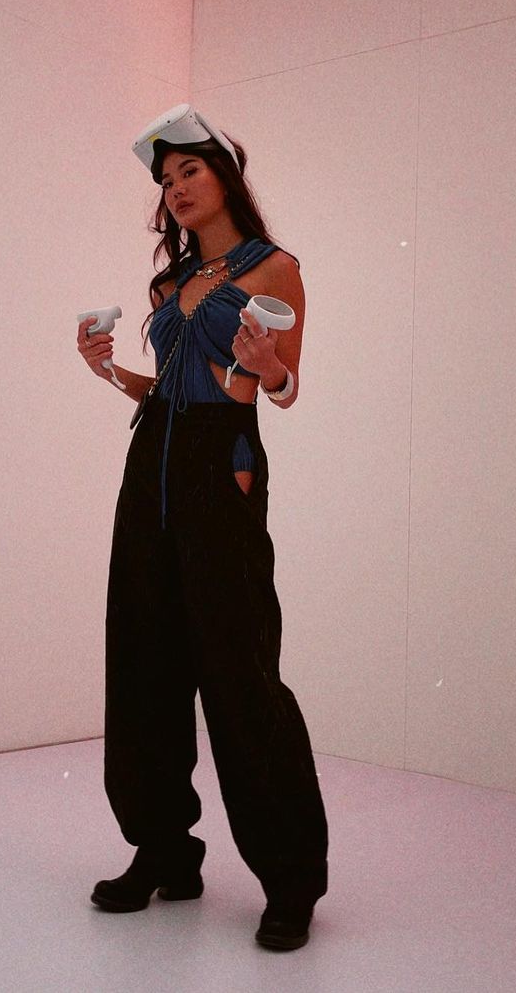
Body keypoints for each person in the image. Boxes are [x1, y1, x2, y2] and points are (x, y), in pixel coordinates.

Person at [75, 109, 329, 951]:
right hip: (150, 464)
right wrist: (111, 371)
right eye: (166, 179)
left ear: (224, 173)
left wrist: (270, 369)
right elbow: (166, 389)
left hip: (224, 465)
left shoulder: (275, 268)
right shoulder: (167, 286)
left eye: (189, 170)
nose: (176, 187)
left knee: (239, 669)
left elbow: (284, 390)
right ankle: (163, 851)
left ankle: (290, 879)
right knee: (142, 657)